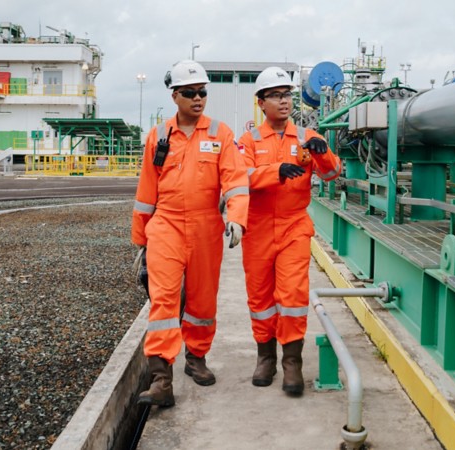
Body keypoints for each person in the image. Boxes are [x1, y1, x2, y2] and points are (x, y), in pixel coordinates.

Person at [131, 60, 249, 407]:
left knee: (201, 301)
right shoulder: (159, 136)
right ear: (175, 96)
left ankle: (196, 358)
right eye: (191, 93)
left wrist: (237, 218)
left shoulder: (220, 134)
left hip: (205, 227)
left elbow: (235, 180)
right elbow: (146, 190)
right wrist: (140, 240)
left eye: (203, 92)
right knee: (164, 301)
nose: (199, 99)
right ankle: (160, 379)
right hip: (165, 225)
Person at [237, 67, 342, 396]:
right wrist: (275, 171)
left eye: (288, 95)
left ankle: (292, 363)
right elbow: (241, 177)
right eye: (276, 96)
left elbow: (332, 174)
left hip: (294, 225)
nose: (284, 102)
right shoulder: (249, 140)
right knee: (260, 298)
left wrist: (324, 157)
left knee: (293, 296)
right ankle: (265, 357)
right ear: (261, 102)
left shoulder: (308, 137)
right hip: (256, 228)